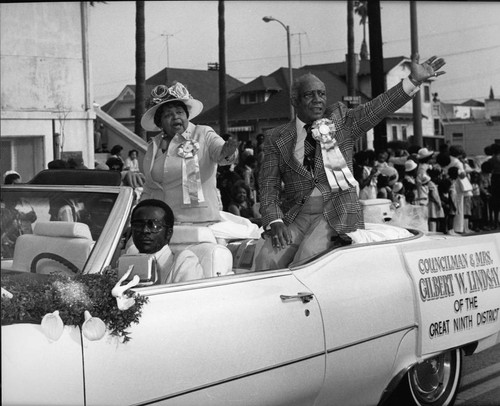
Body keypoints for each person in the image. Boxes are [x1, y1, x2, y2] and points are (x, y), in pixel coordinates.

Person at [256, 55, 446, 269]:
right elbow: (268, 187)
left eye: (322, 94)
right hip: (297, 215)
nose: (318, 99)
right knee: (266, 259)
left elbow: (379, 107)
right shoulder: (276, 137)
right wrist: (275, 221)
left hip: (334, 212)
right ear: (295, 100)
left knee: (308, 259)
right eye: (309, 95)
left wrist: (413, 80)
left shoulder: (342, 123)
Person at [139, 82, 239, 225]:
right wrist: (140, 217)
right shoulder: (153, 146)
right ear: (159, 122)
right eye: (168, 114)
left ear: (187, 115)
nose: (175, 117)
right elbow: (149, 188)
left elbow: (221, 154)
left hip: (200, 223)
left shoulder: (203, 133)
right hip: (161, 223)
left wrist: (228, 152)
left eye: (179, 112)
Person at [128, 199, 203, 284]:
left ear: (168, 233)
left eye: (154, 226)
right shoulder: (128, 263)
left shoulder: (184, 262)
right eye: (138, 225)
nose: (145, 230)